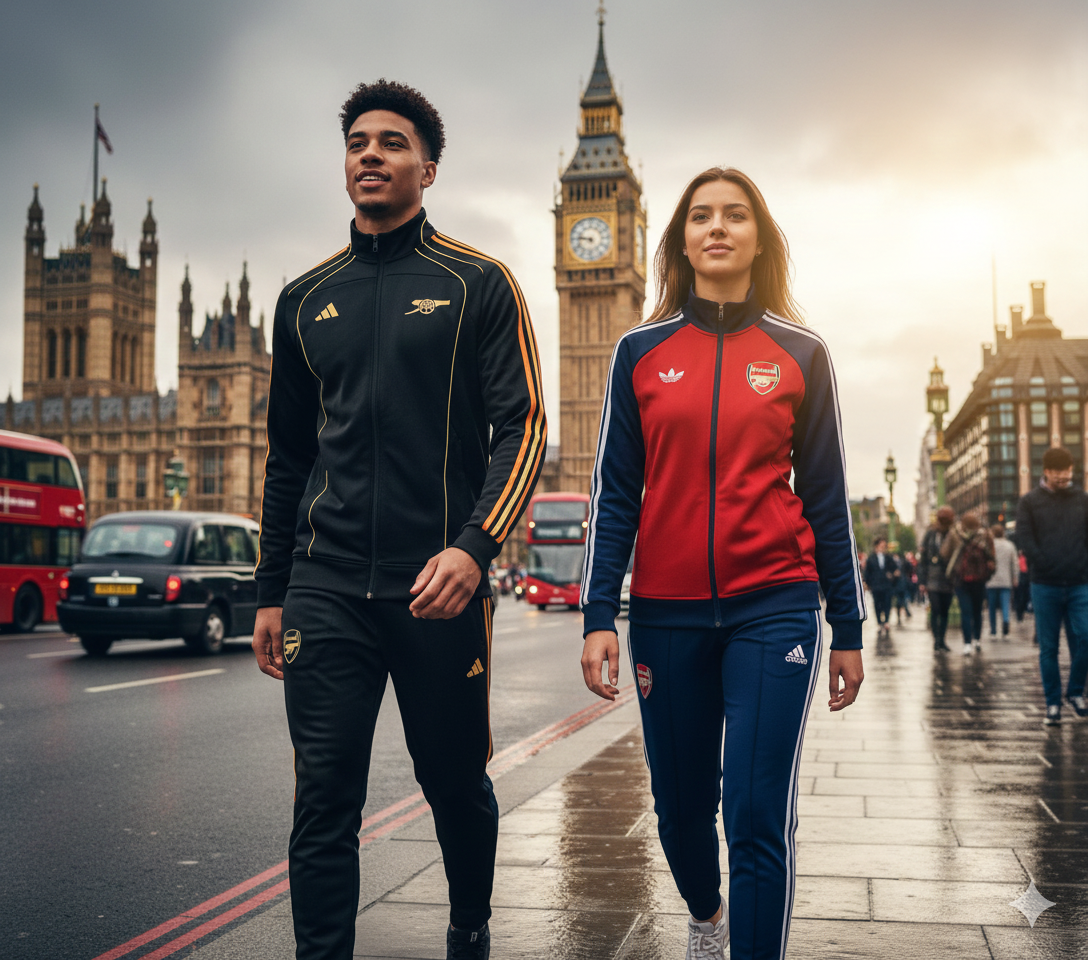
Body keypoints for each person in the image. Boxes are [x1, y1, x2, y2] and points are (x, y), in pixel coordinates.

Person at [251, 79, 546, 960]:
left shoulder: (478, 283)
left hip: (438, 586)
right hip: (327, 585)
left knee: (454, 782)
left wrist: (474, 546)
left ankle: (468, 926)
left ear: (429, 165)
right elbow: (288, 458)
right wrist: (272, 591)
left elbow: (523, 425)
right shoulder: (305, 299)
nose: (369, 154)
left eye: (390, 142)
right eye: (356, 143)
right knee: (324, 798)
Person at [578, 167, 865, 960]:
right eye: (701, 215)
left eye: (735, 215)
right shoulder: (640, 351)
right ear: (680, 241)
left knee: (755, 810)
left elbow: (829, 497)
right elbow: (615, 494)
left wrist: (848, 625)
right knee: (678, 810)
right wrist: (599, 612)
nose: (717, 227)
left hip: (775, 605)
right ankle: (707, 916)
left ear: (758, 238)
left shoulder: (801, 351)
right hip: (666, 614)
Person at [1015, 447, 1088, 725]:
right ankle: (1053, 704)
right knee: (1049, 648)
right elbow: (1025, 538)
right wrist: (1043, 563)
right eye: (1058, 471)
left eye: (1068, 471)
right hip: (1045, 584)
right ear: (1046, 471)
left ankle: (1076, 692)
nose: (1063, 476)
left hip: (1080, 583)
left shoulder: (1082, 499)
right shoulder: (1030, 502)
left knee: (1084, 638)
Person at [941, 510, 994, 655]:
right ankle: (977, 639)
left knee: (966, 611)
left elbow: (944, 553)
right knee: (978, 610)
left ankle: (967, 644)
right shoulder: (984, 534)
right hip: (979, 578)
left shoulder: (954, 534)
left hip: (961, 578)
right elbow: (991, 556)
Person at [919, 506, 956, 652]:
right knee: (935, 609)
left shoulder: (952, 534)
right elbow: (923, 560)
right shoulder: (930, 534)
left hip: (947, 578)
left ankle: (942, 639)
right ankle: (936, 640)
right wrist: (922, 581)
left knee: (945, 611)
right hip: (932, 579)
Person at [986, 524, 1018, 637]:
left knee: (992, 606)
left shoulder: (989, 545)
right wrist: (1015, 577)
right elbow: (1015, 563)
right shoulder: (1010, 545)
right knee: (1006, 604)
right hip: (1006, 580)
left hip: (991, 580)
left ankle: (993, 629)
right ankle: (1005, 620)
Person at [864, 537, 896, 633]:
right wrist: (867, 583)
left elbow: (895, 570)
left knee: (887, 603)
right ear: (877, 546)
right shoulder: (871, 558)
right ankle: (879, 623)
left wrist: (892, 576)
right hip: (876, 585)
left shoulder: (888, 557)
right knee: (877, 604)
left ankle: (886, 621)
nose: (883, 547)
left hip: (886, 585)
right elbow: (867, 572)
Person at [892, 545, 913, 625]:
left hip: (903, 585)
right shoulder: (892, 563)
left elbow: (910, 569)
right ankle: (904, 613)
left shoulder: (903, 562)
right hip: (897, 585)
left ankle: (905, 613)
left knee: (903, 600)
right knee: (900, 601)